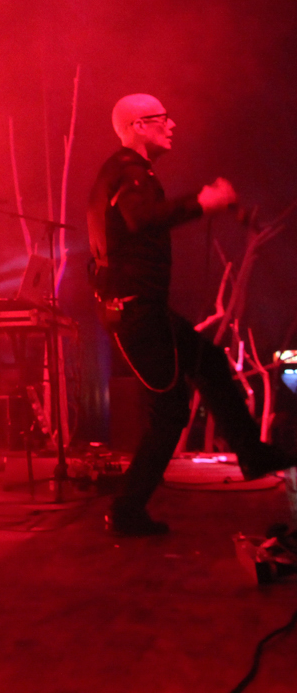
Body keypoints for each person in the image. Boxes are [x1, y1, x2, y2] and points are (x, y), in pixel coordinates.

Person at [88, 93, 295, 536]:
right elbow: (141, 218)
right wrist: (202, 202)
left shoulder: (129, 171)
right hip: (135, 311)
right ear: (138, 125)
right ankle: (126, 510)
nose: (172, 125)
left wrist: (207, 203)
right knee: (169, 412)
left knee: (209, 361)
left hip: (142, 308)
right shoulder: (128, 170)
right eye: (162, 118)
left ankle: (252, 454)